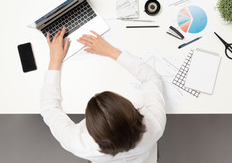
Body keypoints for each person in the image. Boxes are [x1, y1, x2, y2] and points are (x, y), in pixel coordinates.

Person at [41, 27, 166, 163]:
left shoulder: (79, 144)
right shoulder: (154, 125)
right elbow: (150, 78)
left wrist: (54, 61)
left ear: (93, 138)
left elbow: (49, 110)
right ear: (136, 113)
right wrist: (110, 51)